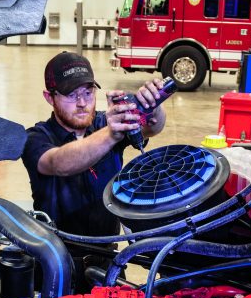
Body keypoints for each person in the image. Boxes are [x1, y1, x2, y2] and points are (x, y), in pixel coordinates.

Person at [22, 51, 167, 242]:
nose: (82, 103)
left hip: (107, 256)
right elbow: (58, 162)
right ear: (50, 97)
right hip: (56, 259)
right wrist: (110, 134)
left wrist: (152, 106)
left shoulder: (105, 122)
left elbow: (152, 128)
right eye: (71, 95)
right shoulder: (35, 137)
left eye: (88, 93)